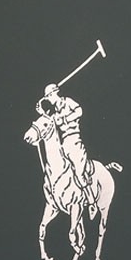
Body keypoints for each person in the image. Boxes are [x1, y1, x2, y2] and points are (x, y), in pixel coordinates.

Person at [40, 83, 97, 218]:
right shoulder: (54, 113)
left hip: (74, 141)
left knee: (79, 173)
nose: (49, 99)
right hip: (63, 144)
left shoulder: (67, 102)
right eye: (47, 98)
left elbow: (79, 111)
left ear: (54, 93)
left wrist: (65, 119)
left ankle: (92, 202)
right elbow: (49, 123)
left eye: (49, 96)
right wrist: (41, 111)